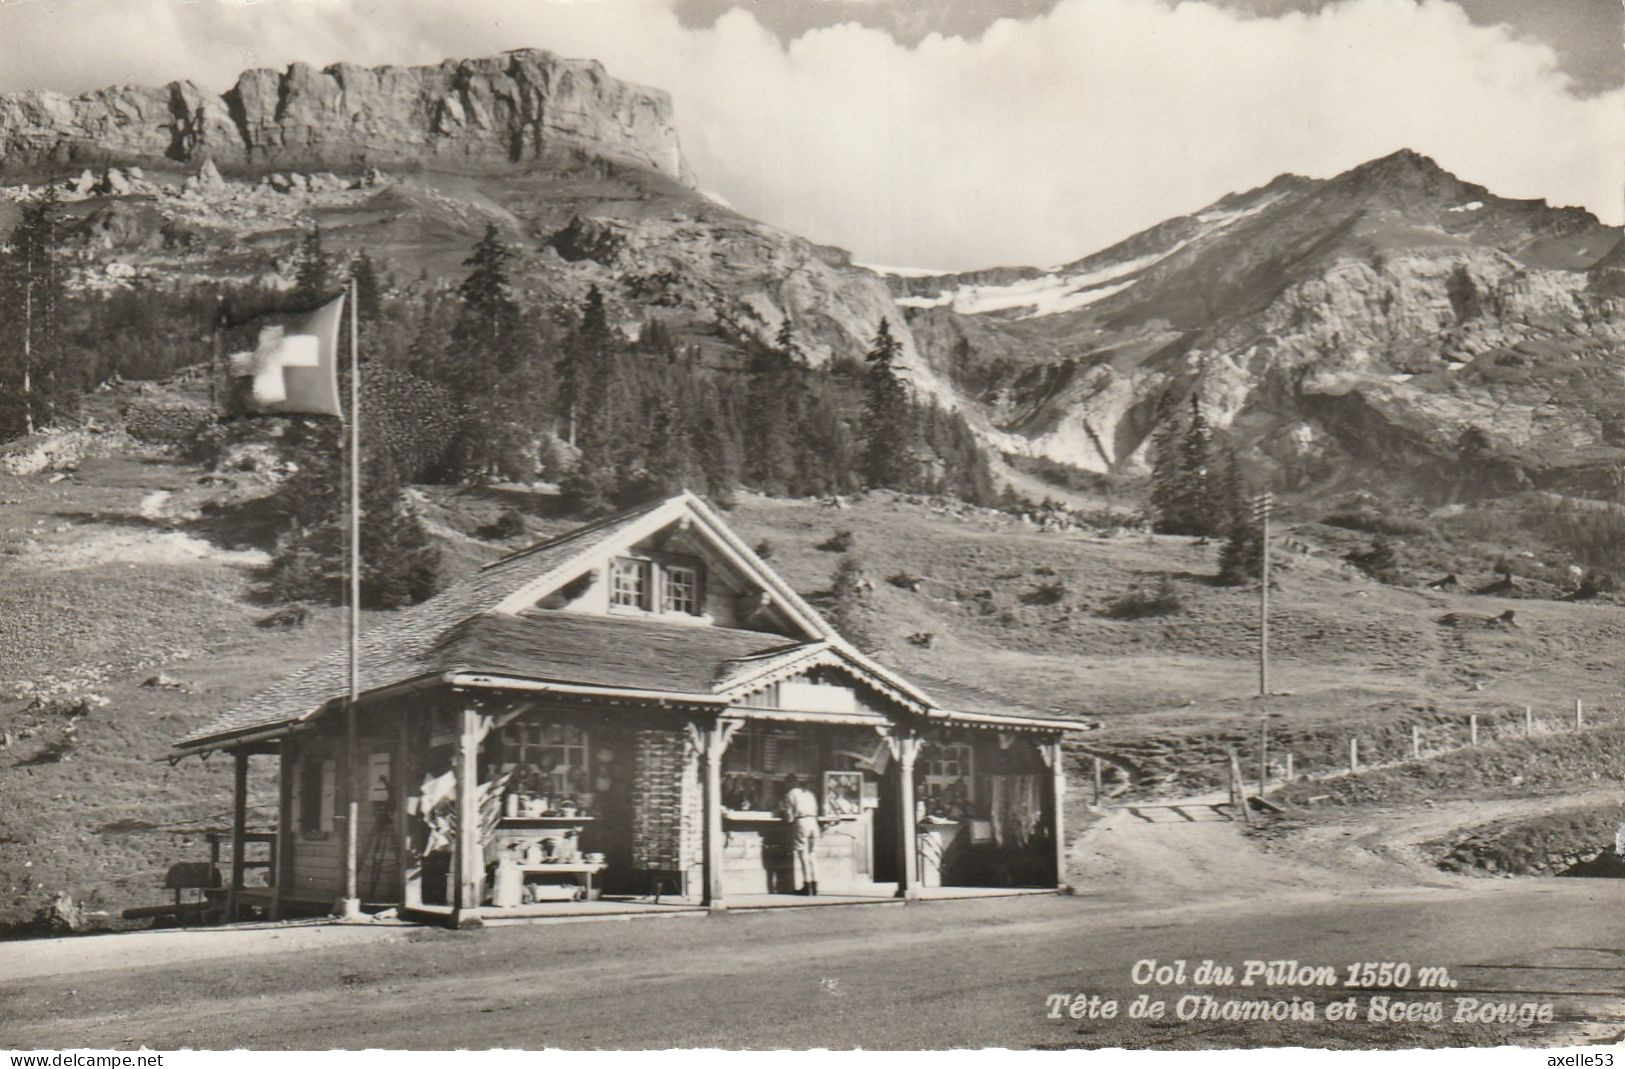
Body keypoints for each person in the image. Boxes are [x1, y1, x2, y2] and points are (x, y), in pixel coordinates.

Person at [779, 773, 819, 895]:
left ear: (789, 783)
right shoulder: (809, 794)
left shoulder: (790, 794)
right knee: (812, 854)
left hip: (801, 823)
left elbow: (790, 817)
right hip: (813, 822)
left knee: (803, 855)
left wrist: (782, 813)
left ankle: (807, 887)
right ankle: (815, 886)